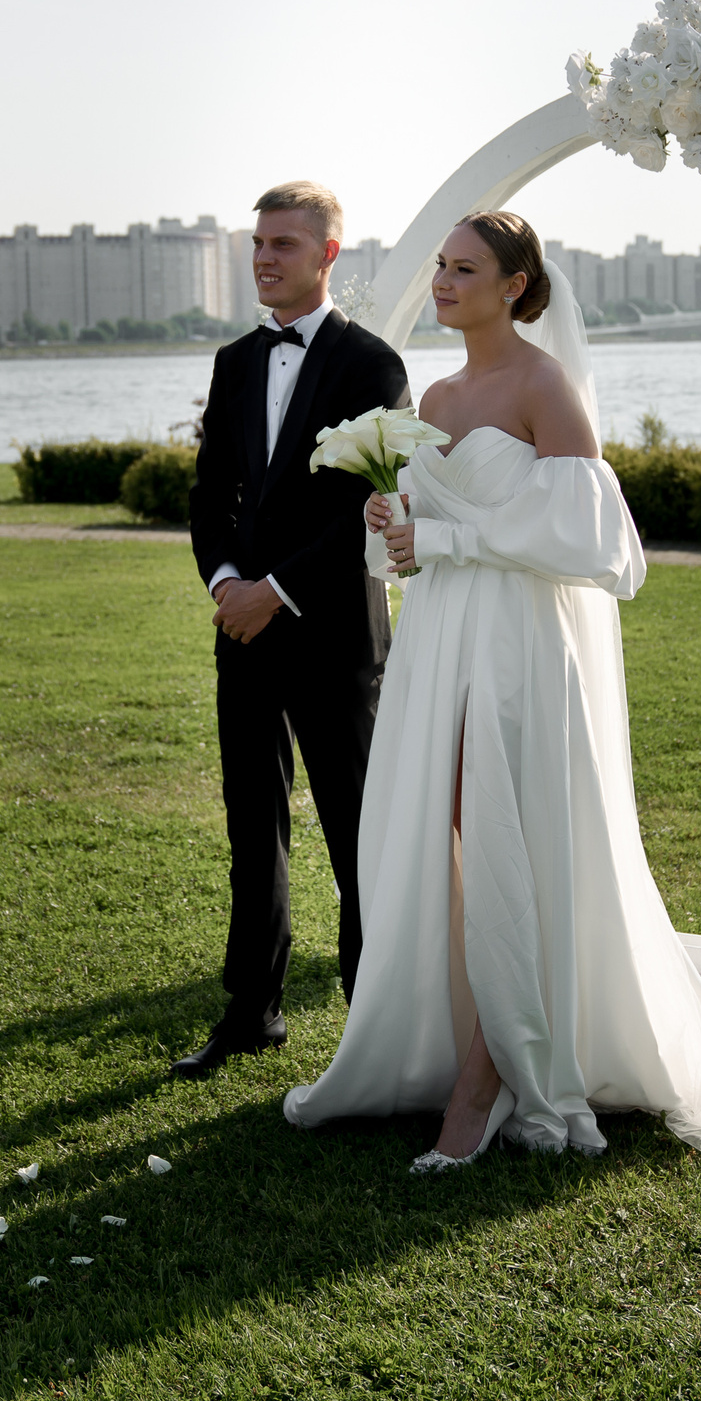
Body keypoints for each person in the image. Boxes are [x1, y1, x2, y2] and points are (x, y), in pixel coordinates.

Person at [282, 211, 701, 1168]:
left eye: (464, 268)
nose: (442, 282)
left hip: (520, 644)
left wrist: (445, 536)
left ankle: (488, 1080)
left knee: (502, 838)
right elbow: (404, 553)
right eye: (441, 266)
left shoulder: (545, 386)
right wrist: (388, 519)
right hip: (441, 640)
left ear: (516, 286)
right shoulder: (435, 395)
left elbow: (595, 545)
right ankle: (455, 1045)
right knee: (441, 843)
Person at [177, 182, 411, 1079]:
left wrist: (276, 586)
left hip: (335, 636)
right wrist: (229, 579)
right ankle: (251, 1011)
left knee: (360, 833)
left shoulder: (372, 364)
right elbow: (211, 494)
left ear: (328, 255)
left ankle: (372, 1019)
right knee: (252, 826)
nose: (264, 257)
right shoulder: (235, 360)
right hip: (243, 632)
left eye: (282, 243)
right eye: (257, 243)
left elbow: (365, 501)